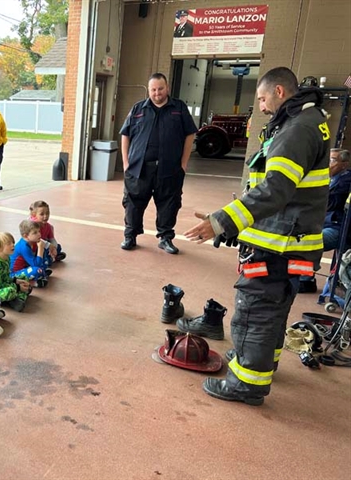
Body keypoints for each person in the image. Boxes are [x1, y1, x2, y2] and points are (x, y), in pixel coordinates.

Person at [184, 67, 331, 406]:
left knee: (255, 311)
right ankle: (263, 361)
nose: (262, 107)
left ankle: (246, 384)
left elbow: (274, 190)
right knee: (274, 311)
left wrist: (220, 222)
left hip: (279, 244)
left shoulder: (296, 130)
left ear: (279, 91)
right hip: (290, 241)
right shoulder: (310, 122)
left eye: (263, 99)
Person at [120, 72, 197, 254]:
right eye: (153, 90)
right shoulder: (138, 109)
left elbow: (190, 135)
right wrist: (126, 163)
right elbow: (125, 134)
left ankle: (165, 238)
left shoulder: (179, 108)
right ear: (149, 90)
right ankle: (130, 236)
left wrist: (184, 163)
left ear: (167, 88)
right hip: (139, 169)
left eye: (160, 89)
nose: (157, 93)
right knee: (133, 204)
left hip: (170, 169)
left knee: (169, 204)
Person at [299, 148, 351, 292]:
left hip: (338, 227)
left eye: (333, 160)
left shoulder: (346, 179)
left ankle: (305, 280)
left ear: (344, 164)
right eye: (327, 159)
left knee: (310, 243)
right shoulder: (329, 177)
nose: (328, 163)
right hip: (323, 223)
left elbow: (328, 203)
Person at [0, 232, 31, 312]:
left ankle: (17, 298)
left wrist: (15, 280)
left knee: (23, 277)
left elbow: (5, 277)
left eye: (13, 242)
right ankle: (19, 298)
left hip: (2, 284)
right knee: (11, 291)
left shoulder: (6, 257)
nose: (13, 245)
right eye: (8, 244)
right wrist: (17, 286)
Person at [10, 220, 50, 287]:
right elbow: (36, 265)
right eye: (35, 233)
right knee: (36, 270)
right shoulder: (23, 246)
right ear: (26, 236)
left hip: (26, 266)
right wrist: (40, 248)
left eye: (39, 231)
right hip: (15, 273)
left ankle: (40, 274)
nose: (39, 234)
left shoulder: (33, 241)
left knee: (46, 259)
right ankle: (32, 282)